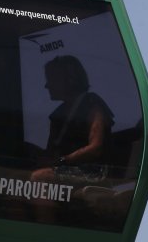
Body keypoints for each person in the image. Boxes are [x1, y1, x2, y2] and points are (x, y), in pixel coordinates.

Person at [29, 55, 114, 185]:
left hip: (91, 173)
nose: (47, 85)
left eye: (52, 79)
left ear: (70, 79)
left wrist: (63, 160)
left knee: (39, 177)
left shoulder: (92, 104)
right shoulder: (57, 115)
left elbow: (95, 147)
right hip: (64, 169)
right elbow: (51, 154)